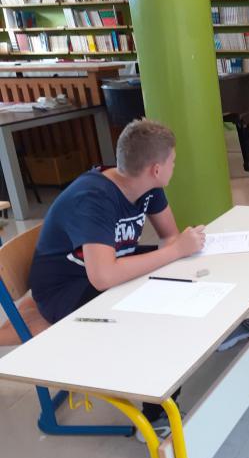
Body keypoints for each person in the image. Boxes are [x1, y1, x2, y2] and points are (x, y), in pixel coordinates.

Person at [0, 119, 205, 439]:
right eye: (173, 161)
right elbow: (104, 277)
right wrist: (175, 252)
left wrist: (176, 252)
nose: (174, 166)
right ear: (156, 168)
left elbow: (170, 237)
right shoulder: (94, 197)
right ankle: (155, 416)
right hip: (65, 288)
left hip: (103, 268)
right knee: (154, 317)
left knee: (179, 279)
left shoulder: (149, 188)